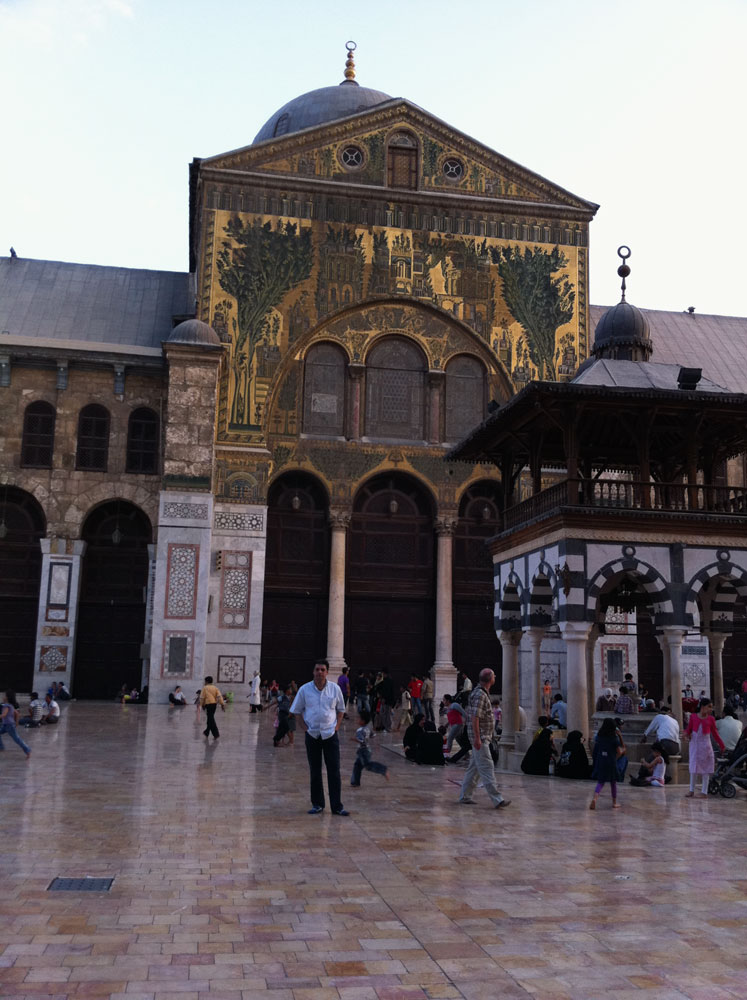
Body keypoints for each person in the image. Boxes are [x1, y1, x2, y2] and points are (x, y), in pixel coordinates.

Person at [290, 659, 347, 815]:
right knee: (315, 771)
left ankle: (337, 806)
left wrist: (336, 727)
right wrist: (305, 728)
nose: (320, 672)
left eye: (322, 669)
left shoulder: (335, 689)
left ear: (327, 672)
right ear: (313, 671)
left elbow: (341, 710)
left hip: (330, 735)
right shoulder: (304, 690)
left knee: (334, 771)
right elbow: (296, 711)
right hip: (313, 735)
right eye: (317, 669)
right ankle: (318, 804)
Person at [458, 668, 510, 808]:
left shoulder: (481, 693)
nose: (495, 677)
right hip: (480, 738)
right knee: (487, 767)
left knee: (474, 769)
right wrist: (477, 738)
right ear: (490, 679)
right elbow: (475, 717)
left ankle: (465, 796)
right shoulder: (480, 694)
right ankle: (497, 799)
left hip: (481, 737)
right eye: (494, 675)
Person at [683, 698, 725, 798]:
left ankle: (704, 792)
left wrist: (722, 745)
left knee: (706, 768)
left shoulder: (711, 719)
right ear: (702, 707)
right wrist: (685, 735)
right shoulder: (693, 717)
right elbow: (688, 730)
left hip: (706, 746)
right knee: (693, 766)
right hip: (694, 746)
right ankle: (691, 790)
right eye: (709, 706)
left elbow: (715, 734)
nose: (711, 709)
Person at [350, 708, 389, 787]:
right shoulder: (368, 729)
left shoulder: (359, 730)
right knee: (357, 765)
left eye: (359, 718)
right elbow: (373, 735)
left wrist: (354, 739)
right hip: (367, 750)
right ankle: (355, 782)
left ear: (363, 721)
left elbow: (361, 741)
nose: (357, 720)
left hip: (363, 751)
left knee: (368, 765)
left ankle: (383, 770)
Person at [589, 718, 622, 809]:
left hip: (601, 761)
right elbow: (619, 752)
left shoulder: (599, 737)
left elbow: (595, 750)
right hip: (611, 761)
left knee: (600, 782)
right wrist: (615, 758)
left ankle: (595, 799)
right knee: (613, 782)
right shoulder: (614, 738)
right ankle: (614, 802)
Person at [0, 691, 31, 758]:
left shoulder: (6, 706)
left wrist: (15, 723)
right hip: (6, 725)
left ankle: (27, 750)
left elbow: (4, 715)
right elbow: (17, 713)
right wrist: (16, 723)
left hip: (9, 726)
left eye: (5, 696)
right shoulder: (11, 705)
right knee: (17, 738)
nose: (3, 697)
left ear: (7, 698)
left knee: (17, 739)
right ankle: (1, 747)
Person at [199, 676, 225, 740]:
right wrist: (222, 704)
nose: (204, 682)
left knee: (211, 719)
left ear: (207, 681)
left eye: (205, 681)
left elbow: (202, 697)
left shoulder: (205, 688)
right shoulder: (215, 688)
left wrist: (201, 704)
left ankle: (216, 734)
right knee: (210, 719)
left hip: (208, 704)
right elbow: (219, 696)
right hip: (214, 705)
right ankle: (207, 732)